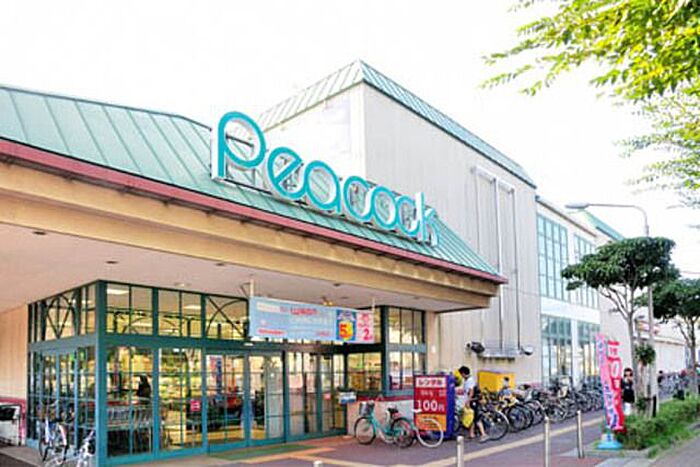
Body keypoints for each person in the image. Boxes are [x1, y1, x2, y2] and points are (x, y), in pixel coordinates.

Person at [455, 366, 488, 442]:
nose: (461, 376)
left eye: (461, 374)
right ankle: (471, 434)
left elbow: (471, 392)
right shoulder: (468, 380)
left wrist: (468, 401)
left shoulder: (470, 380)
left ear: (463, 373)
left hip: (474, 401)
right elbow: (466, 391)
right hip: (472, 400)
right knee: (471, 418)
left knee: (476, 418)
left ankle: (484, 435)